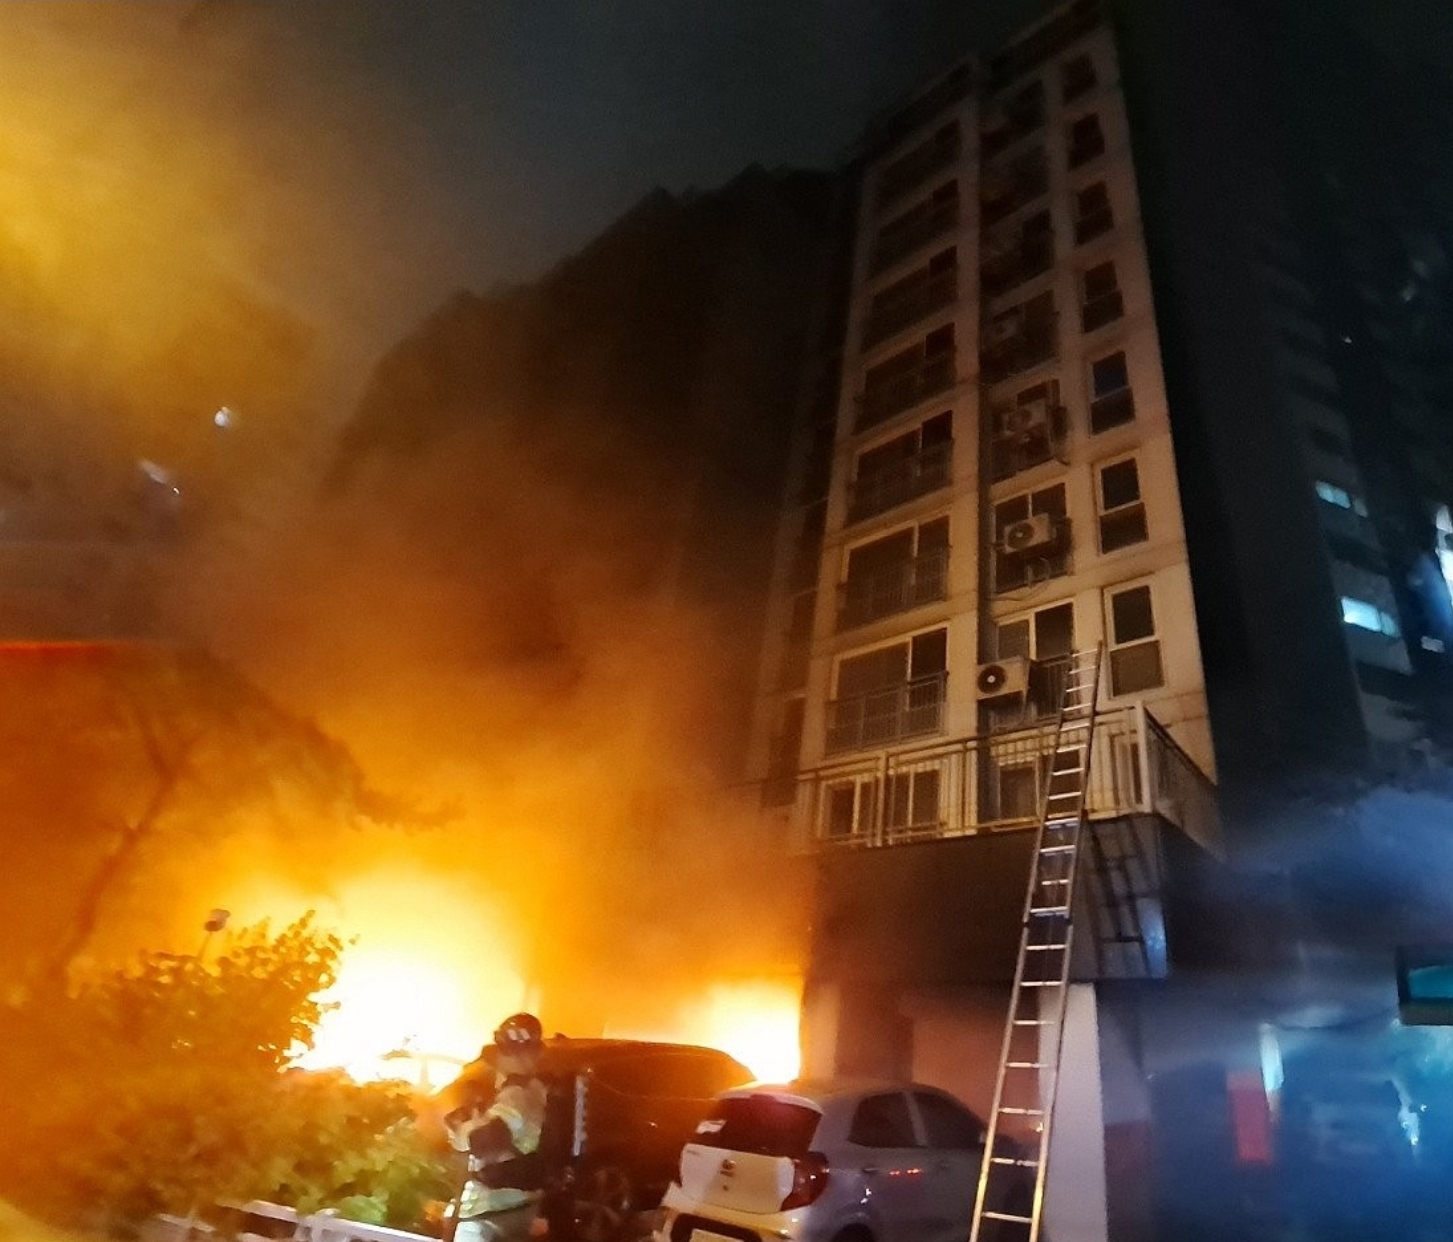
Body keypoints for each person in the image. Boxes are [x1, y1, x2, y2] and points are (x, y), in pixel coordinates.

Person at [443, 1013, 550, 1242]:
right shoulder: (534, 1088)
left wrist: (461, 1128)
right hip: (519, 1202)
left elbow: (486, 1141)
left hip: (491, 1208)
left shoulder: (516, 1095)